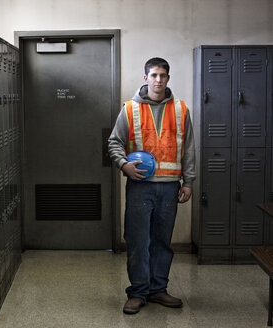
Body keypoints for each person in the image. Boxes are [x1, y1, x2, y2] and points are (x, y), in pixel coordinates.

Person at [108, 57, 196, 315]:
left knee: (162, 241)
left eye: (163, 75)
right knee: (137, 240)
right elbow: (114, 142)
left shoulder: (181, 110)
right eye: (154, 75)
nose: (158, 80)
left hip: (170, 187)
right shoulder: (129, 109)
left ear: (168, 78)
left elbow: (189, 149)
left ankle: (158, 289)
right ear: (145, 78)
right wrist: (124, 165)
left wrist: (188, 181)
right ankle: (137, 292)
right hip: (140, 187)